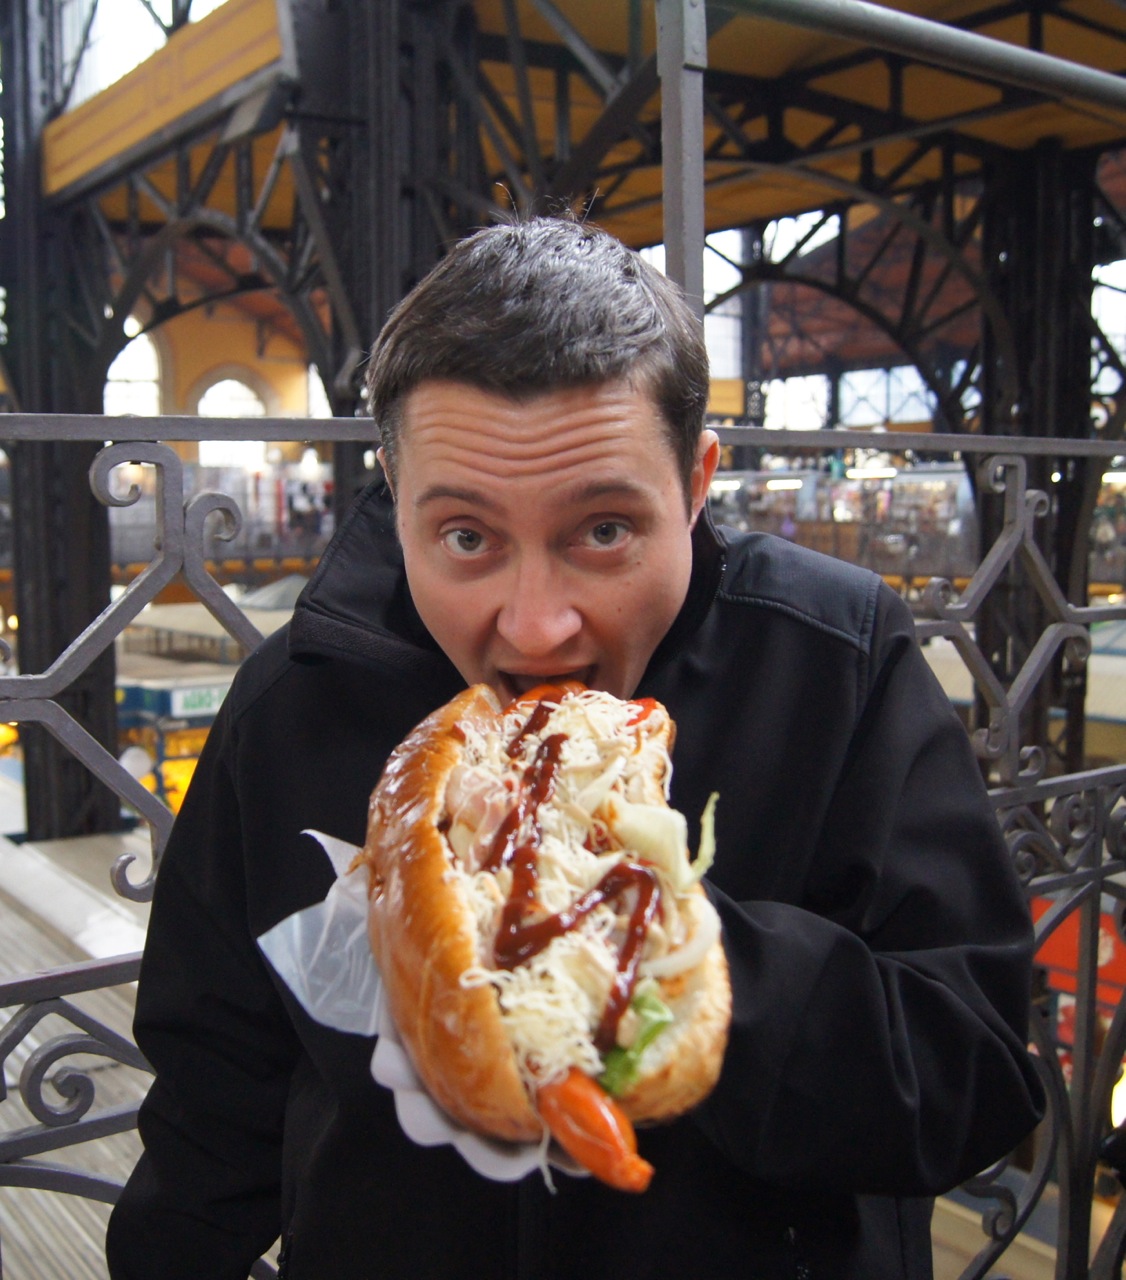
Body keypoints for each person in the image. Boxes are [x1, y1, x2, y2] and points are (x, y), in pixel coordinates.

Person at [106, 216, 1044, 1280]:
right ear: (396, 497)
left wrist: (653, 946)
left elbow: (971, 1081)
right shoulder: (292, 702)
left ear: (694, 484)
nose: (536, 624)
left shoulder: (834, 658)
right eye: (466, 536)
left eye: (603, 529)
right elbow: (212, 1091)